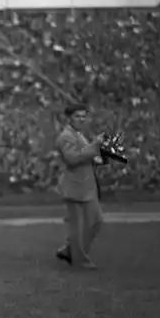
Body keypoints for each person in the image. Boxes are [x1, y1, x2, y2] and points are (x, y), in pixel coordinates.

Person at [55, 103, 105, 270]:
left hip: (86, 185)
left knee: (96, 221)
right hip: (75, 186)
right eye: (77, 116)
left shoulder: (78, 134)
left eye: (83, 116)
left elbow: (84, 155)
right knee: (79, 226)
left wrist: (96, 156)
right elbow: (72, 159)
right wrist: (94, 147)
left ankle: (70, 250)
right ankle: (79, 260)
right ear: (69, 118)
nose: (81, 119)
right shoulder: (65, 137)